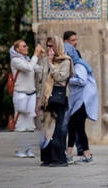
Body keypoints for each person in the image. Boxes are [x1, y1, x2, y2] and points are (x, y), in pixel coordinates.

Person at [40, 36, 73, 167]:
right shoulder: (46, 61)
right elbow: (42, 81)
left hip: (59, 98)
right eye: (47, 46)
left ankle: (60, 158)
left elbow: (60, 77)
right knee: (47, 129)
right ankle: (48, 157)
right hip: (47, 99)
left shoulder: (66, 60)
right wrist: (39, 99)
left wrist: (51, 64)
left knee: (58, 129)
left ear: (57, 46)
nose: (49, 49)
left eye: (51, 46)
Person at [64, 43, 98, 164]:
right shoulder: (76, 66)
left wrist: (68, 80)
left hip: (82, 101)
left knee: (74, 127)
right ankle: (85, 154)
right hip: (80, 101)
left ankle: (70, 154)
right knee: (77, 128)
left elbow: (82, 81)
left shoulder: (79, 66)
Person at [10, 40, 43, 158]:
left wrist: (42, 58)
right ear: (17, 49)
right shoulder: (15, 60)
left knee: (30, 125)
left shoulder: (28, 59)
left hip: (31, 94)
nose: (26, 47)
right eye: (24, 46)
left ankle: (28, 149)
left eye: (26, 45)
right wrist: (35, 54)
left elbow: (39, 69)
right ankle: (19, 149)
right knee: (20, 123)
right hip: (20, 94)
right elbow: (29, 68)